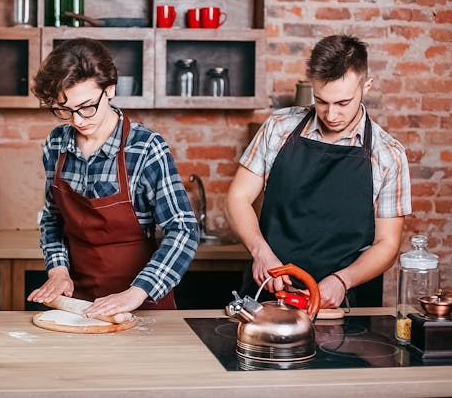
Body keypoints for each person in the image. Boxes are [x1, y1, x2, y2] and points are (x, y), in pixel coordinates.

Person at [225, 34, 411, 308]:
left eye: (343, 103)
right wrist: (261, 252)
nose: (331, 114)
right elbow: (236, 199)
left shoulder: (388, 154)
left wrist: (342, 280)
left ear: (366, 86)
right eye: (321, 101)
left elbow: (387, 243)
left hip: (345, 302)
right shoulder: (279, 128)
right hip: (270, 292)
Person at [27, 38, 198, 317]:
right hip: (79, 303)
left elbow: (183, 229)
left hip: (142, 302)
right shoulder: (56, 144)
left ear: (110, 90)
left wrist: (137, 292)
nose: (78, 120)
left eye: (86, 106)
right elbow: (53, 218)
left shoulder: (145, 148)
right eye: (65, 110)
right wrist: (58, 270)